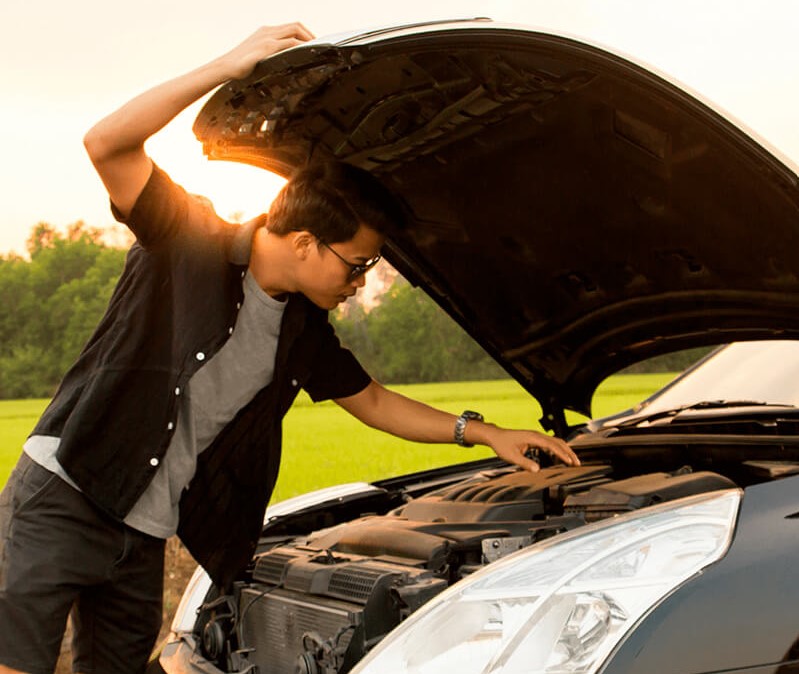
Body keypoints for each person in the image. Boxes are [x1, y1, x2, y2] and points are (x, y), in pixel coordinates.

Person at [0, 23, 579, 674]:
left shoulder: (301, 328)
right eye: (355, 266)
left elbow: (375, 402)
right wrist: (225, 65)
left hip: (143, 533)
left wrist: (485, 433)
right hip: (65, 493)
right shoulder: (187, 238)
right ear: (305, 241)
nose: (358, 285)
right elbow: (105, 142)